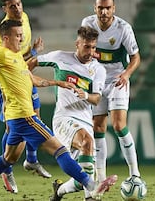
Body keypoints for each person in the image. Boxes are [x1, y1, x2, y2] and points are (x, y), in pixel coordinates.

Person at [0, 20, 115, 201]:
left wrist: (57, 83)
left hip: (16, 119)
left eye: (21, 35)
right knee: (60, 151)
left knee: (7, 159)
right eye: (18, 35)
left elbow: (32, 80)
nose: (21, 38)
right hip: (25, 117)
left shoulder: (17, 57)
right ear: (5, 38)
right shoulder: (0, 55)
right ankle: (92, 186)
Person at [29, 26, 118, 201]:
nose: (91, 52)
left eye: (94, 48)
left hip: (85, 122)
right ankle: (91, 197)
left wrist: (85, 95)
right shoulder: (60, 57)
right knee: (87, 141)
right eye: (86, 47)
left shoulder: (98, 69)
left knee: (82, 179)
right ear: (77, 44)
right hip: (64, 118)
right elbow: (31, 63)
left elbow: (97, 99)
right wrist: (27, 83)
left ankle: (59, 190)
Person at [81, 0, 142, 184]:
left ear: (113, 8)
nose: (104, 12)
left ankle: (135, 174)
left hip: (117, 80)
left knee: (118, 125)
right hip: (96, 80)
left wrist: (126, 74)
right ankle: (100, 178)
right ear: (95, 8)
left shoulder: (124, 28)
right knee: (98, 127)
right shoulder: (87, 23)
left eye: (108, 8)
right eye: (100, 8)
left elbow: (136, 58)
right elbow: (83, 50)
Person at [0, 0, 51, 194]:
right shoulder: (4, 33)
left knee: (35, 117)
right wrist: (35, 52)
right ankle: (6, 170)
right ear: (5, 9)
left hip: (24, 75)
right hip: (9, 81)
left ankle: (31, 160)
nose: (17, 8)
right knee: (13, 127)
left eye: (18, 3)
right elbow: (13, 62)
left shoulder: (23, 17)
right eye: (12, 6)